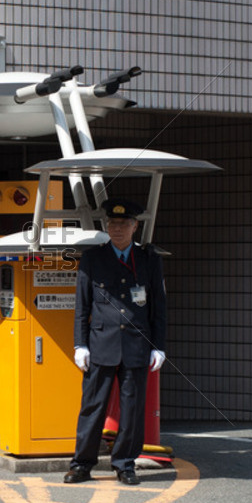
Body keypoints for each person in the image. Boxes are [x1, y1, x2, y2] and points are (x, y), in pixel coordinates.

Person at [64, 198, 166, 485]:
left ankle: (124, 463)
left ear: (135, 226)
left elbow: (158, 305)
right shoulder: (93, 258)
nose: (117, 229)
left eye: (123, 224)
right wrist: (79, 344)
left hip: (136, 343)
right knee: (92, 406)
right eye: (112, 223)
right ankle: (81, 463)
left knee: (132, 410)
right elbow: (82, 305)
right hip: (100, 342)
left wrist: (158, 345)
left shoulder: (148, 259)